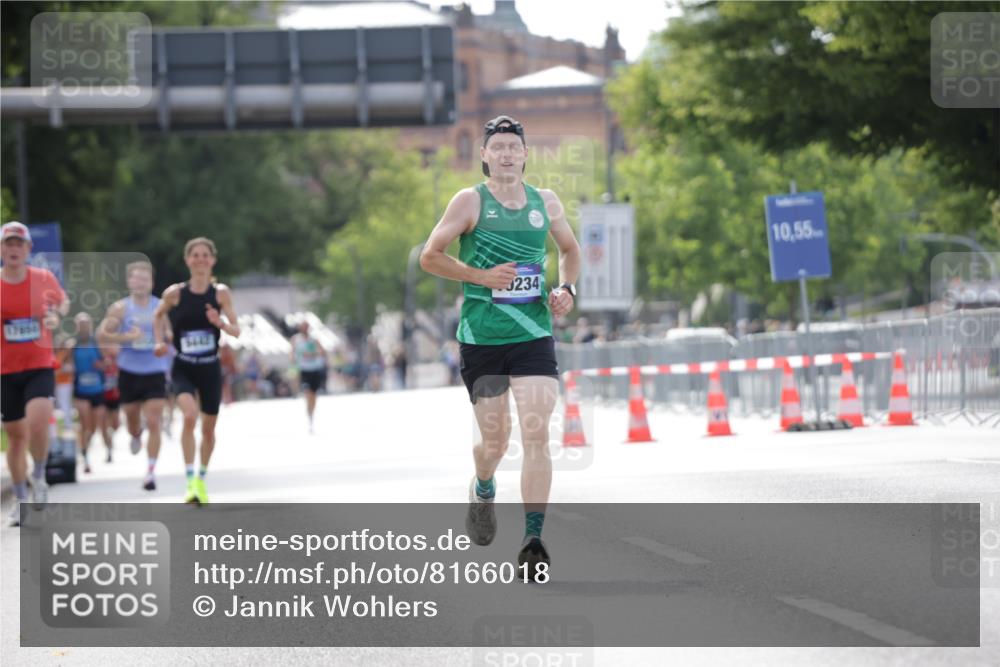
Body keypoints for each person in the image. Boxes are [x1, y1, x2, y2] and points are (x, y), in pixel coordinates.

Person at [419, 115, 580, 580]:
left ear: (526, 155)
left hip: (533, 333)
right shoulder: (470, 201)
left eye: (515, 146)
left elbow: (569, 250)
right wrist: (480, 277)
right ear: (485, 156)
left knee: (536, 431)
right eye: (499, 147)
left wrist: (566, 290)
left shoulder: (545, 203)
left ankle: (533, 537)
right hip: (483, 337)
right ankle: (484, 487)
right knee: (496, 440)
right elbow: (431, 255)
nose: (507, 153)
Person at [154, 238, 240, 506]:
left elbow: (237, 330)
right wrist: (160, 340)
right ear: (187, 260)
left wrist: (221, 324)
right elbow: (157, 316)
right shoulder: (175, 294)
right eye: (195, 255)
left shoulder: (220, 293)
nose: (200, 259)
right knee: (189, 415)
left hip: (210, 367)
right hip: (183, 366)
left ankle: (201, 477)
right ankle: (190, 479)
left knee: (209, 430)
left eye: (205, 255)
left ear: (212, 260)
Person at [1, 222, 68, 526]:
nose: (14, 248)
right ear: (2, 249)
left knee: (39, 422)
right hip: (5, 369)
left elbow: (62, 301)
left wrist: (55, 315)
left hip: (39, 363)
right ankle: (20, 498)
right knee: (16, 438)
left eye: (19, 243)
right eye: (8, 243)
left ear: (28, 249)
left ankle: (39, 477)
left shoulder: (43, 278)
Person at [97, 260, 171, 491]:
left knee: (154, 420)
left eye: (145, 279)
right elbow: (102, 335)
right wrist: (122, 341)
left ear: (152, 282)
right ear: (129, 282)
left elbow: (168, 334)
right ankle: (135, 434)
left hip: (155, 369)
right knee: (131, 416)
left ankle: (150, 472)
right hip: (129, 370)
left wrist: (163, 341)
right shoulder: (120, 308)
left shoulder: (160, 307)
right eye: (136, 278)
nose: (140, 283)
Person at [70, 313, 106, 474]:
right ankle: (85, 456)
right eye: (81, 324)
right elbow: (62, 363)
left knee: (94, 427)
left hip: (97, 389)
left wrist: (101, 365)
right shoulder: (72, 345)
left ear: (90, 326)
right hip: (81, 391)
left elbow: (107, 362)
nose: (84, 327)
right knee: (85, 425)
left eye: (86, 324)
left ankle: (85, 447)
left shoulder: (96, 343)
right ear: (77, 327)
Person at [290, 320, 327, 433]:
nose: (304, 329)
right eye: (302, 327)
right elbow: (292, 352)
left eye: (306, 327)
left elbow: (323, 352)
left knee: (314, 395)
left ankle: (312, 413)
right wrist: (293, 359)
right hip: (304, 369)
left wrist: (314, 353)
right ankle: (309, 415)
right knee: (308, 393)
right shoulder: (296, 340)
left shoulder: (314, 340)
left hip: (314, 369)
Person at [100, 344, 121, 462]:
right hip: (102, 396)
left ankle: (111, 438)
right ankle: (108, 450)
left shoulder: (119, 362)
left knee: (116, 425)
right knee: (104, 425)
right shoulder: (101, 361)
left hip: (115, 397)